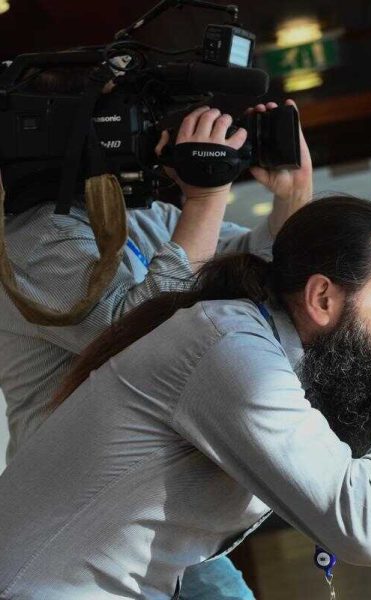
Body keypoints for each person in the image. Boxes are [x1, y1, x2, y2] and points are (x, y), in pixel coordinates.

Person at [0, 196, 371, 598]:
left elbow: (347, 451)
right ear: (321, 298)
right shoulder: (231, 353)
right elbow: (363, 524)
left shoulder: (268, 349)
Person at [0, 74, 313, 599]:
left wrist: (293, 192)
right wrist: (206, 194)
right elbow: (144, 334)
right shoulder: (32, 240)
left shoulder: (139, 219)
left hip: (150, 520)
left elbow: (263, 268)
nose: (155, 142)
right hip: (72, 539)